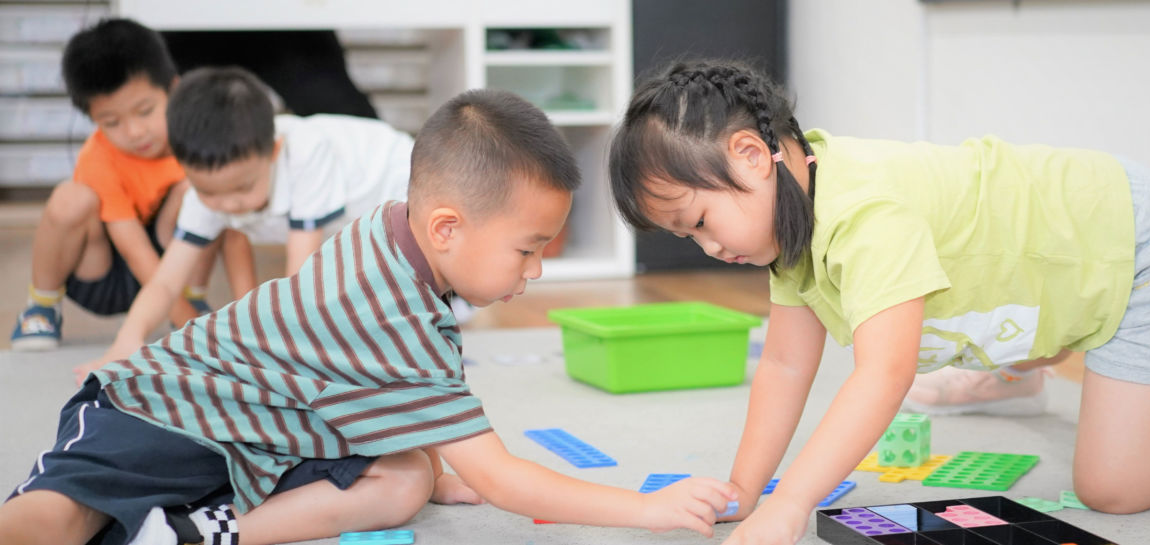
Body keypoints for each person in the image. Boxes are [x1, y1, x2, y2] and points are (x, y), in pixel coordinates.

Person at [0, 88, 736, 545]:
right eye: (528, 248)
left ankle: (199, 531)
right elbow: (507, 482)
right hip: (156, 408)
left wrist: (441, 462)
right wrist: (648, 510)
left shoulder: (389, 226)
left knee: (406, 478)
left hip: (257, 435)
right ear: (446, 227)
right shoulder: (392, 318)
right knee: (61, 521)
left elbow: (376, 388)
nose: (535, 271)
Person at [607, 59, 1150, 545]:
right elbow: (784, 367)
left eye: (698, 221)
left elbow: (883, 374)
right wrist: (747, 492)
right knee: (968, 302)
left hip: (1138, 249)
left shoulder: (866, 213)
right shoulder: (790, 226)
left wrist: (794, 505)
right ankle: (1016, 369)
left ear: (752, 156)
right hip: (1047, 264)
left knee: (1118, 490)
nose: (705, 247)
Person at [72, 66, 420, 380]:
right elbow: (165, 282)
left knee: (401, 287)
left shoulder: (305, 154)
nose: (228, 204)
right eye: (210, 193)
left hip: (404, 181)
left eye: (243, 188)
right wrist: (126, 342)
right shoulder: (207, 188)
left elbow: (300, 277)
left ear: (273, 152)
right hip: (352, 214)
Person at [9, 18, 248, 351]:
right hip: (105, 272)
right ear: (93, 120)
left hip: (173, 262)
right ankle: (42, 306)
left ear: (173, 90)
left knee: (202, 193)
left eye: (145, 111)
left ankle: (195, 299)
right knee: (70, 198)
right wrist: (184, 320)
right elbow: (134, 251)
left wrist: (241, 310)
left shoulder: (195, 139)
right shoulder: (99, 158)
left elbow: (236, 231)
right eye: (112, 122)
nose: (135, 132)